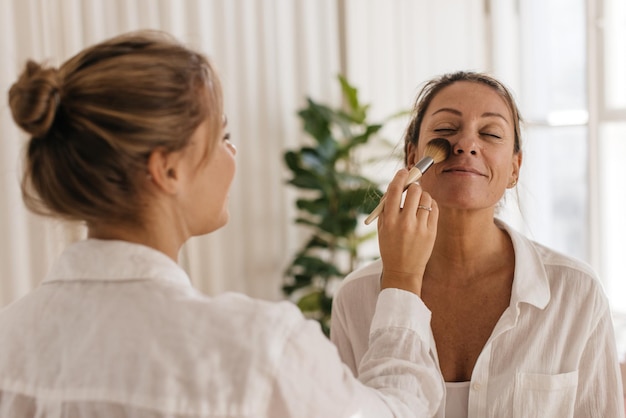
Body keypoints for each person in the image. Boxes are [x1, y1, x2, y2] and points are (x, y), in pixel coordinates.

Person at [0, 30, 444, 417]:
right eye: (223, 137)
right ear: (168, 170)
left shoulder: (10, 342)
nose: (232, 155)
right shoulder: (254, 350)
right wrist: (402, 282)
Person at [330, 71, 625, 418]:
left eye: (490, 133)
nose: (465, 144)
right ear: (413, 157)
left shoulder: (576, 293)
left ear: (515, 169)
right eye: (444, 131)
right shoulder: (357, 298)